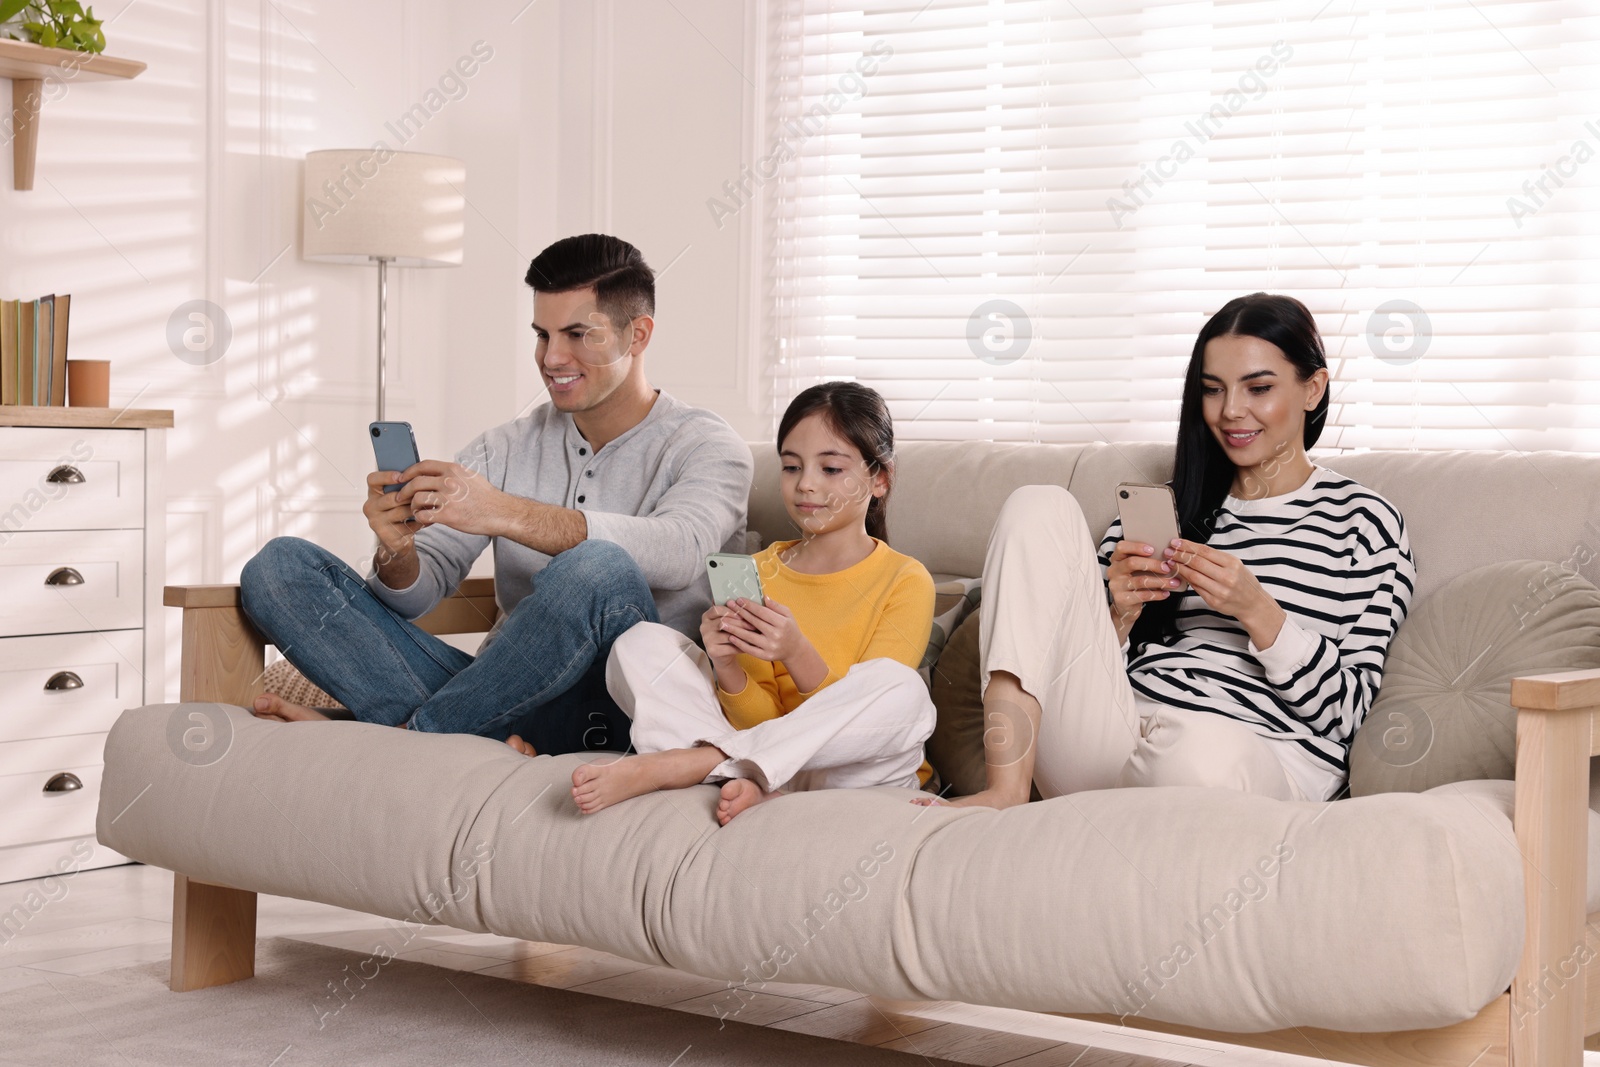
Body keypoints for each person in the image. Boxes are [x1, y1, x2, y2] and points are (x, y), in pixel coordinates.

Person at [237, 234, 755, 755]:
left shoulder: (709, 446)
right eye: (542, 334)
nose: (552, 357)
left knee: (597, 568)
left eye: (578, 334)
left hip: (623, 714)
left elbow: (682, 550)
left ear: (637, 335)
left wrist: (503, 512)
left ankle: (401, 742)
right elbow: (417, 595)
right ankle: (464, 736)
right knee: (279, 569)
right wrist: (398, 549)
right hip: (506, 702)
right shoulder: (503, 447)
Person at [916, 292, 1415, 809]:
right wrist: (1120, 613)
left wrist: (1257, 611)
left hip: (1249, 757)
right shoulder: (1171, 505)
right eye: (1213, 390)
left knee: (1201, 750)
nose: (1231, 412)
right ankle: (1007, 791)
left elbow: (1349, 713)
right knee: (1036, 504)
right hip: (1119, 733)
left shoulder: (1366, 522)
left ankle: (1138, 810)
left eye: (1258, 388)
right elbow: (1077, 664)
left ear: (1313, 389)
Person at [511, 382, 937, 825]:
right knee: (641, 644)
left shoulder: (906, 579)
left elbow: (863, 717)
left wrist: (795, 652)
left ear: (880, 478)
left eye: (830, 469)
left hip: (858, 776)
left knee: (900, 689)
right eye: (791, 467)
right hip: (762, 763)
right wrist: (728, 668)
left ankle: (696, 764)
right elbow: (755, 720)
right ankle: (752, 778)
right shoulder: (756, 570)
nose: (806, 484)